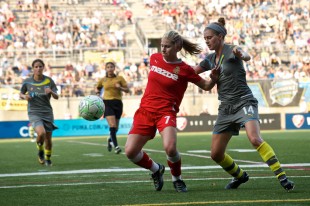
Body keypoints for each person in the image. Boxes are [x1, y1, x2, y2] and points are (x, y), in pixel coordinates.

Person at [195, 17, 295, 191]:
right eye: (205, 38)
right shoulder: (210, 59)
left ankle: (282, 177)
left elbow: (246, 55)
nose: (206, 41)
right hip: (225, 107)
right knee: (216, 154)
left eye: (209, 37)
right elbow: (191, 73)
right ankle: (240, 176)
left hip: (244, 101)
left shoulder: (232, 50)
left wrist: (244, 55)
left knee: (255, 138)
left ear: (219, 36)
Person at [125, 30, 218, 193]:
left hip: (166, 112)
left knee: (170, 147)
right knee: (130, 152)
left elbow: (206, 86)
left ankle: (177, 179)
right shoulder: (154, 58)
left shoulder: (185, 69)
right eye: (162, 45)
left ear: (177, 47)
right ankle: (156, 169)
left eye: (167, 46)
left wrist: (215, 78)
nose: (163, 49)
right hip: (145, 110)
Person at [20, 59, 59, 166]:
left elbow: (57, 96)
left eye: (40, 66)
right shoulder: (27, 81)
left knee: (48, 139)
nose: (38, 68)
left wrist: (51, 91)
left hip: (47, 112)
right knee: (41, 133)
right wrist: (25, 96)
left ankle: (48, 158)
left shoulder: (49, 81)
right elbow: (21, 94)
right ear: (33, 68)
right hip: (34, 112)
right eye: (36, 67)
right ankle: (40, 150)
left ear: (43, 67)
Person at [96, 61, 130, 154]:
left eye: (111, 67)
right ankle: (116, 147)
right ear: (106, 69)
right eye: (108, 67)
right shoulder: (103, 80)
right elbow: (97, 88)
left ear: (114, 68)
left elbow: (127, 90)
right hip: (107, 103)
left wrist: (121, 88)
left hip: (118, 103)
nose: (110, 69)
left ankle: (110, 139)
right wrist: (98, 94)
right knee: (112, 125)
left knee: (116, 128)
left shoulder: (120, 78)